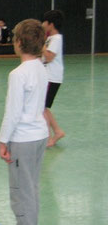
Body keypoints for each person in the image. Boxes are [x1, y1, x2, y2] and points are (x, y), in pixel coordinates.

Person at [0, 19, 48, 225]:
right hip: (39, 136)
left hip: (23, 139)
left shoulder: (18, 74)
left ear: (18, 43)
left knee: (20, 190)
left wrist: (3, 140)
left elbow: (13, 112)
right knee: (31, 187)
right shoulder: (41, 67)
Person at [42, 10, 66, 147]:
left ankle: (52, 134)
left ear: (51, 24)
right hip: (47, 77)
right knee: (43, 107)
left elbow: (49, 57)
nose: (43, 24)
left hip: (52, 77)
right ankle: (55, 132)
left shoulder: (56, 39)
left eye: (45, 22)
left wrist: (41, 44)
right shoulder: (50, 38)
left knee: (42, 107)